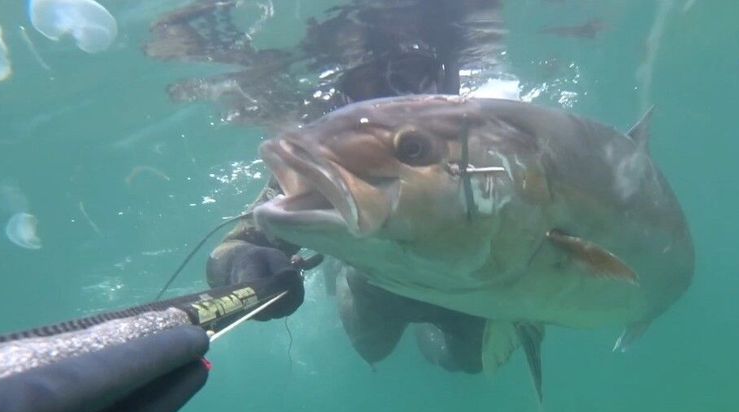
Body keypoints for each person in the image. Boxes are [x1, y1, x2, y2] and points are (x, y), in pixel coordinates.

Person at [150, 0, 509, 372]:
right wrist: (246, 267)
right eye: (365, 92)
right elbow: (236, 246)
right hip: (376, 292)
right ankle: (340, 268)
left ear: (450, 82)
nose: (391, 106)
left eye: (410, 80)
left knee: (471, 363)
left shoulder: (502, 146)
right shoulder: (330, 166)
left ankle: (425, 340)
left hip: (466, 295)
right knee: (373, 349)